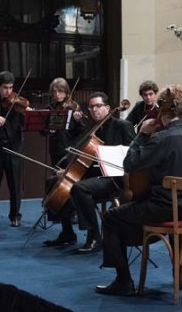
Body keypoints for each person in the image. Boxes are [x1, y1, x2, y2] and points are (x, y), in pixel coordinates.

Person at [95, 84, 182, 296]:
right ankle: (180, 274)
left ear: (163, 111)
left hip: (164, 209)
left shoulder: (162, 138)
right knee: (174, 205)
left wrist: (142, 135)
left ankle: (123, 281)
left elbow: (130, 164)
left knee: (110, 218)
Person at [69, 92, 135, 253]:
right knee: (61, 183)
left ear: (107, 108)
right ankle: (66, 232)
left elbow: (134, 153)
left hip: (115, 178)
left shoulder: (122, 126)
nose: (94, 110)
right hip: (96, 176)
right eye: (91, 107)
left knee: (79, 189)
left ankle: (94, 236)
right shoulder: (91, 128)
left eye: (98, 106)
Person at [41, 78, 88, 247]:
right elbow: (42, 131)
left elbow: (82, 131)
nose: (57, 94)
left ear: (66, 92)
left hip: (69, 152)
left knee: (67, 189)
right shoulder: (50, 109)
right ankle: (66, 230)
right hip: (55, 152)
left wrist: (78, 119)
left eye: (60, 91)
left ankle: (71, 223)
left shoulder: (73, 108)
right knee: (57, 190)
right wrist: (46, 128)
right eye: (54, 91)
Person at [0, 71, 26, 227]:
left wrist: (27, 112)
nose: (8, 92)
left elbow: (24, 122)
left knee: (15, 184)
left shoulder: (18, 102)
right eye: (5, 88)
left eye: (10, 87)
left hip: (13, 147)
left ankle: (15, 215)